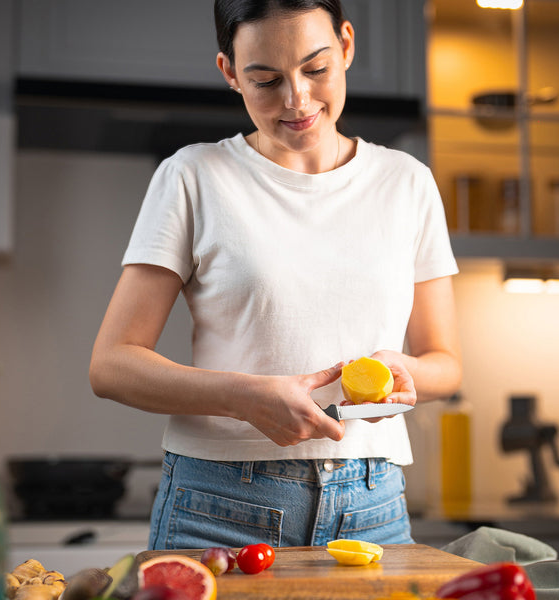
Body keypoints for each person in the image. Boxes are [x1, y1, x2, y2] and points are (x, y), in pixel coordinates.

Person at [89, 0, 461, 550]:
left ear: (347, 45)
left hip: (372, 501)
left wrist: (402, 370)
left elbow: (445, 365)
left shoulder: (407, 182)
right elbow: (112, 365)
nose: (298, 100)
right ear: (230, 73)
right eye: (265, 80)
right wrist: (245, 397)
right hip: (217, 503)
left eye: (316, 69)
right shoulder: (192, 176)